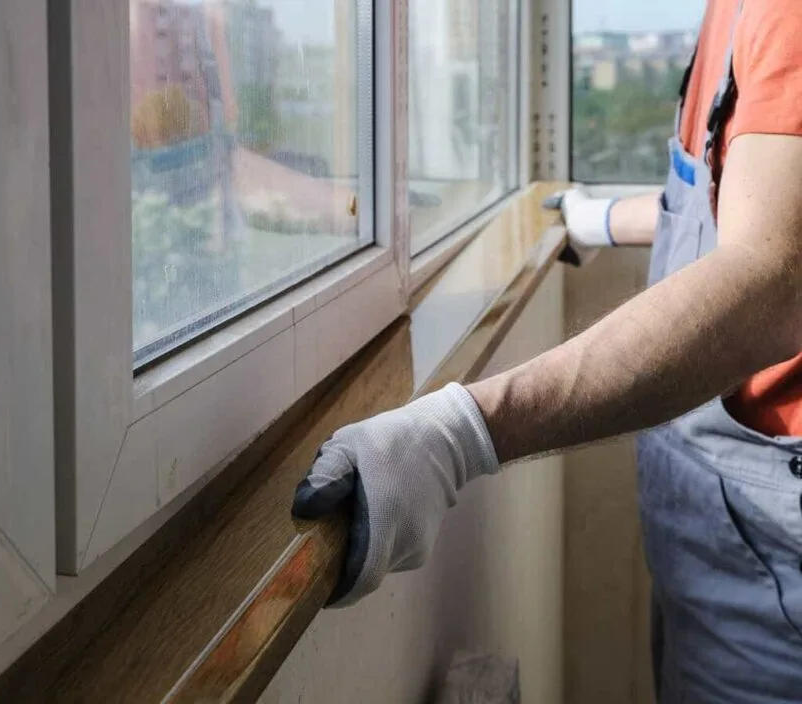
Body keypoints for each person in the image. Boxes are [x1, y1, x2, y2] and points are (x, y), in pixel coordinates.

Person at [291, 1, 802, 700]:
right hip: (721, 531)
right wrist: (597, 219)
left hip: (776, 558)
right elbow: (752, 197)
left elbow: (777, 281)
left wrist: (458, 435)